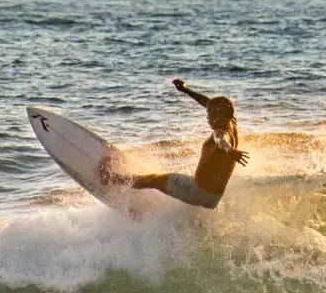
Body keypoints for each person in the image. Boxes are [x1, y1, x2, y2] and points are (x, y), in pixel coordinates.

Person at [104, 78, 248, 209]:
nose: (207, 118)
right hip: (213, 198)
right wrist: (186, 90)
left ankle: (113, 180)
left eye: (210, 115)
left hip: (197, 192)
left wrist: (229, 151)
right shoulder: (231, 121)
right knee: (166, 180)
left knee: (153, 179)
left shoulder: (220, 132)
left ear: (219, 116)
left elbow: (220, 141)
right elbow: (208, 103)